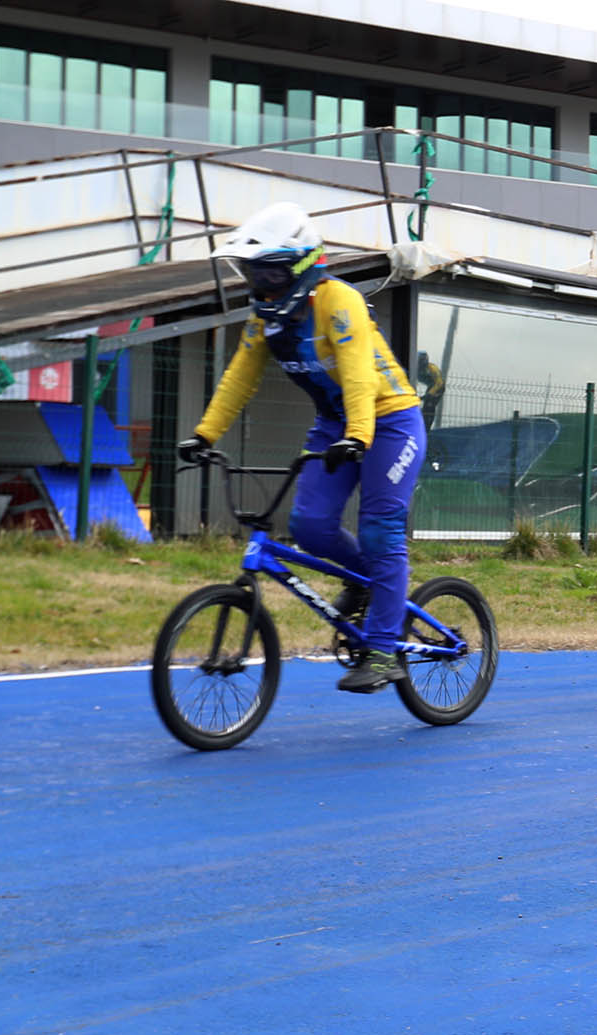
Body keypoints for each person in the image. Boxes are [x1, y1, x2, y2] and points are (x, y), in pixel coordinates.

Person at [176, 202, 426, 693]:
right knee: (309, 528)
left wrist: (358, 435)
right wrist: (204, 434)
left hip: (390, 421)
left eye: (268, 270)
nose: (259, 283)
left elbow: (357, 373)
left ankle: (381, 650)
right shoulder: (267, 319)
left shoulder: (338, 300)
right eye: (252, 272)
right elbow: (238, 379)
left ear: (301, 265)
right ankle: (365, 581)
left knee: (379, 532)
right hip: (337, 424)